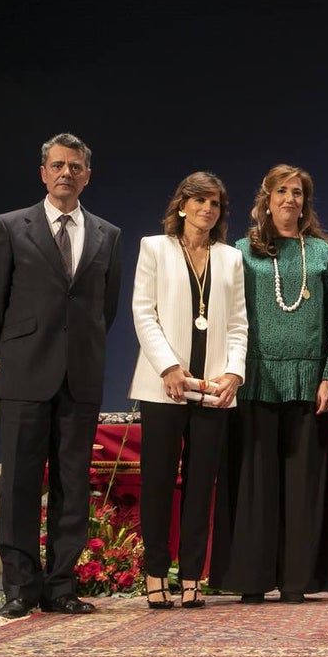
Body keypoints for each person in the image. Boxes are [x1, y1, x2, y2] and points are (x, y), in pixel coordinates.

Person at [0, 132, 122, 619]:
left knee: (72, 485)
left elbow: (108, 308)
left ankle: (61, 586)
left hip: (80, 376)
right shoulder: (11, 226)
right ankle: (20, 589)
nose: (66, 173)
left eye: (75, 166)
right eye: (57, 165)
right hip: (26, 375)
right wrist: (19, 355)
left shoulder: (107, 234)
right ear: (43, 172)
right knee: (19, 482)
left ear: (87, 175)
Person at [209, 164, 328, 604]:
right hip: (255, 383)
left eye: (299, 193)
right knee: (254, 486)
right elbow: (226, 315)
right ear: (266, 199)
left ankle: (297, 582)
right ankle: (251, 579)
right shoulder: (241, 251)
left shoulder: (322, 253)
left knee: (302, 488)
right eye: (282, 191)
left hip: (309, 386)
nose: (291, 199)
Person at [129, 172, 247, 610]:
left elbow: (238, 323)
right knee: (158, 483)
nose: (207, 209)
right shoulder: (154, 248)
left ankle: (193, 575)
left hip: (214, 389)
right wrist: (169, 367)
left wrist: (234, 373)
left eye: (214, 203)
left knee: (202, 486)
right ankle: (156, 573)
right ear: (182, 205)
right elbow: (144, 313)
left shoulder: (230, 257)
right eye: (198, 201)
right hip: (165, 386)